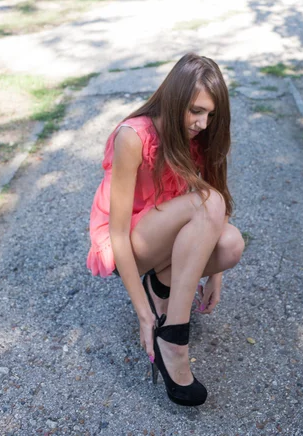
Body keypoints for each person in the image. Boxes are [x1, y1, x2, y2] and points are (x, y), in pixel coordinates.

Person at [87, 52, 244, 406]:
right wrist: (144, 313)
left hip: (162, 228)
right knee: (208, 201)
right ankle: (173, 337)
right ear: (174, 99)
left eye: (211, 114)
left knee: (231, 244)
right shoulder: (133, 136)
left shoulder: (198, 138)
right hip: (129, 239)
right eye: (196, 110)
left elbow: (216, 203)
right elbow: (117, 232)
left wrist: (216, 273)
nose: (203, 123)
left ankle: (164, 286)